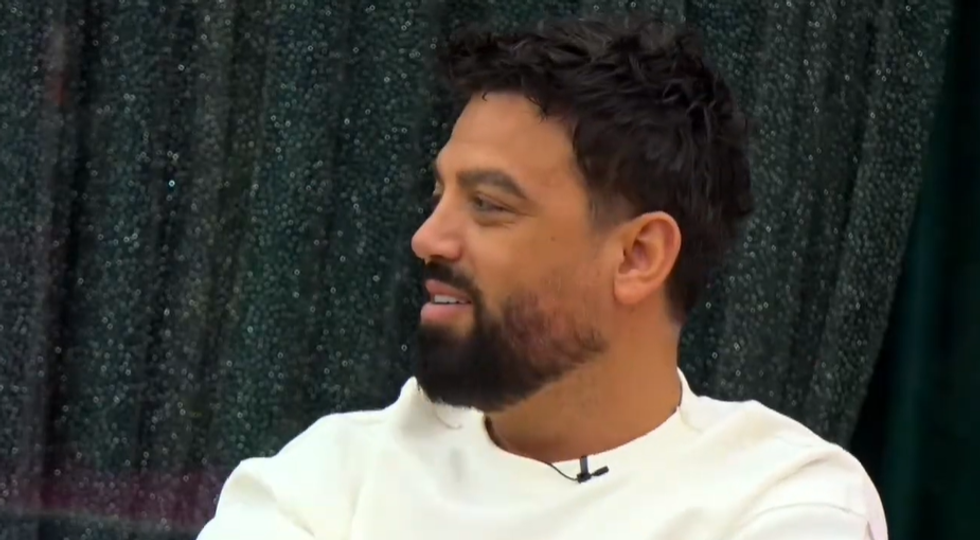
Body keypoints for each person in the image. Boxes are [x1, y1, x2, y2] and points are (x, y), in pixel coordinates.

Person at [197, 15, 886, 540]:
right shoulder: (330, 480)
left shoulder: (780, 496)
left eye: (489, 205)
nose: (428, 238)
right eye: (439, 194)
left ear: (638, 256)